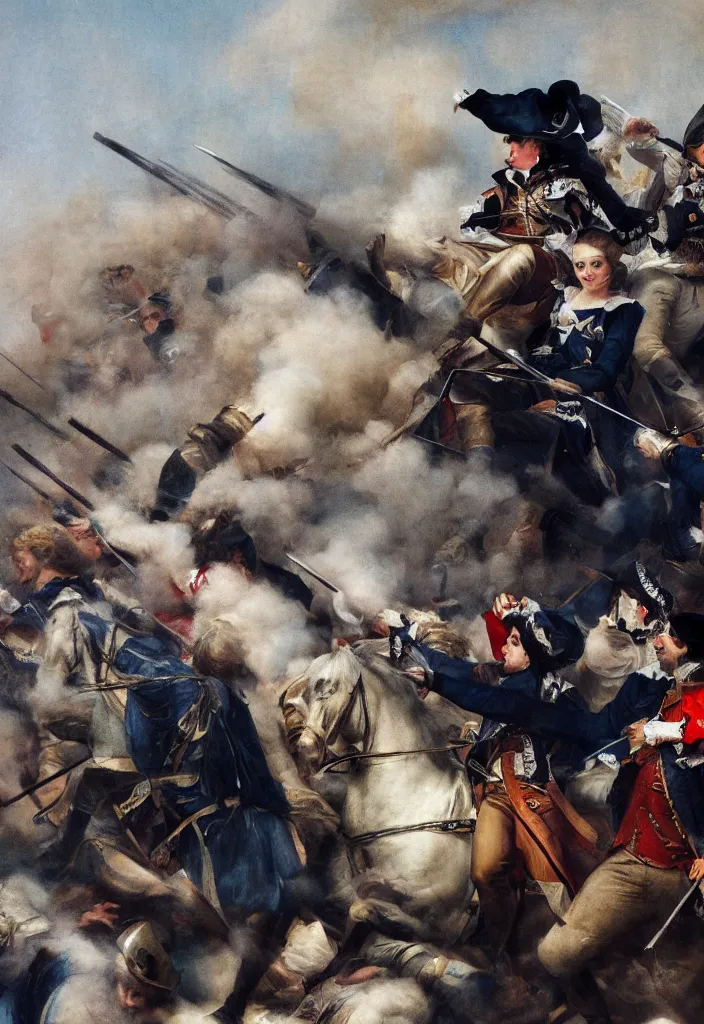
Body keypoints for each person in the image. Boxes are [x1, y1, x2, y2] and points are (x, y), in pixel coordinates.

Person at [393, 592, 597, 965]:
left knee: (533, 879)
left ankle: (547, 954)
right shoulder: (505, 675)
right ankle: (496, 942)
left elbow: (479, 698)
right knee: (480, 867)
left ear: (533, 653)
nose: (504, 645)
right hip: (494, 789)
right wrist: (410, 640)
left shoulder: (540, 692)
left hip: (532, 792)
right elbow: (457, 671)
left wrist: (435, 680)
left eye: (514, 642)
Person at [537, 620, 704, 1013]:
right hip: (631, 858)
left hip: (685, 873)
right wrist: (641, 743)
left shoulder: (691, 711)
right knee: (554, 956)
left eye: (667, 636)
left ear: (687, 648)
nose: (656, 641)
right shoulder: (668, 699)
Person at [417, 230, 643, 505]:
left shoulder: (620, 313)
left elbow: (606, 367)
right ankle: (474, 481)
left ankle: (478, 486)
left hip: (551, 389)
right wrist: (466, 325)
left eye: (598, 267)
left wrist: (573, 378)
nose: (589, 274)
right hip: (508, 363)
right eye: (582, 265)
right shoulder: (551, 283)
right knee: (468, 392)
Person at [621, 103, 704, 435]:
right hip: (666, 276)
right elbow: (638, 146)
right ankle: (698, 418)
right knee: (646, 346)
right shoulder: (677, 168)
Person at [635, 428, 704, 562]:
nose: (639, 450)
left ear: (653, 440)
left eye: (640, 445)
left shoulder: (679, 456)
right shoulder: (669, 458)